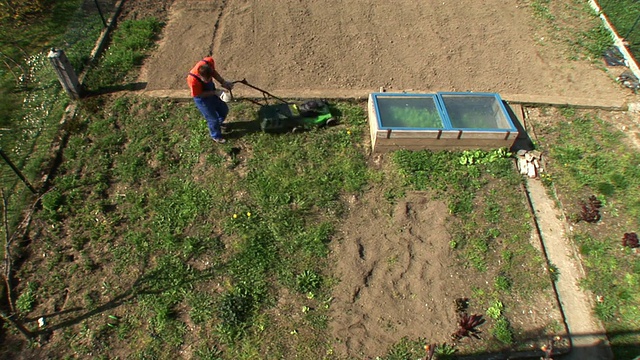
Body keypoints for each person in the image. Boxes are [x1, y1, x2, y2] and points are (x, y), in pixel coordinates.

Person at [187, 56, 234, 143]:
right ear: (200, 76)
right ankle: (216, 136)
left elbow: (214, 73)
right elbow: (199, 94)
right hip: (202, 99)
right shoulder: (193, 80)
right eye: (206, 80)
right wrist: (215, 93)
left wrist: (223, 82)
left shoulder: (208, 62)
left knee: (224, 110)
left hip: (212, 92)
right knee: (212, 119)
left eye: (210, 78)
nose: (209, 80)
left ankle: (218, 124)